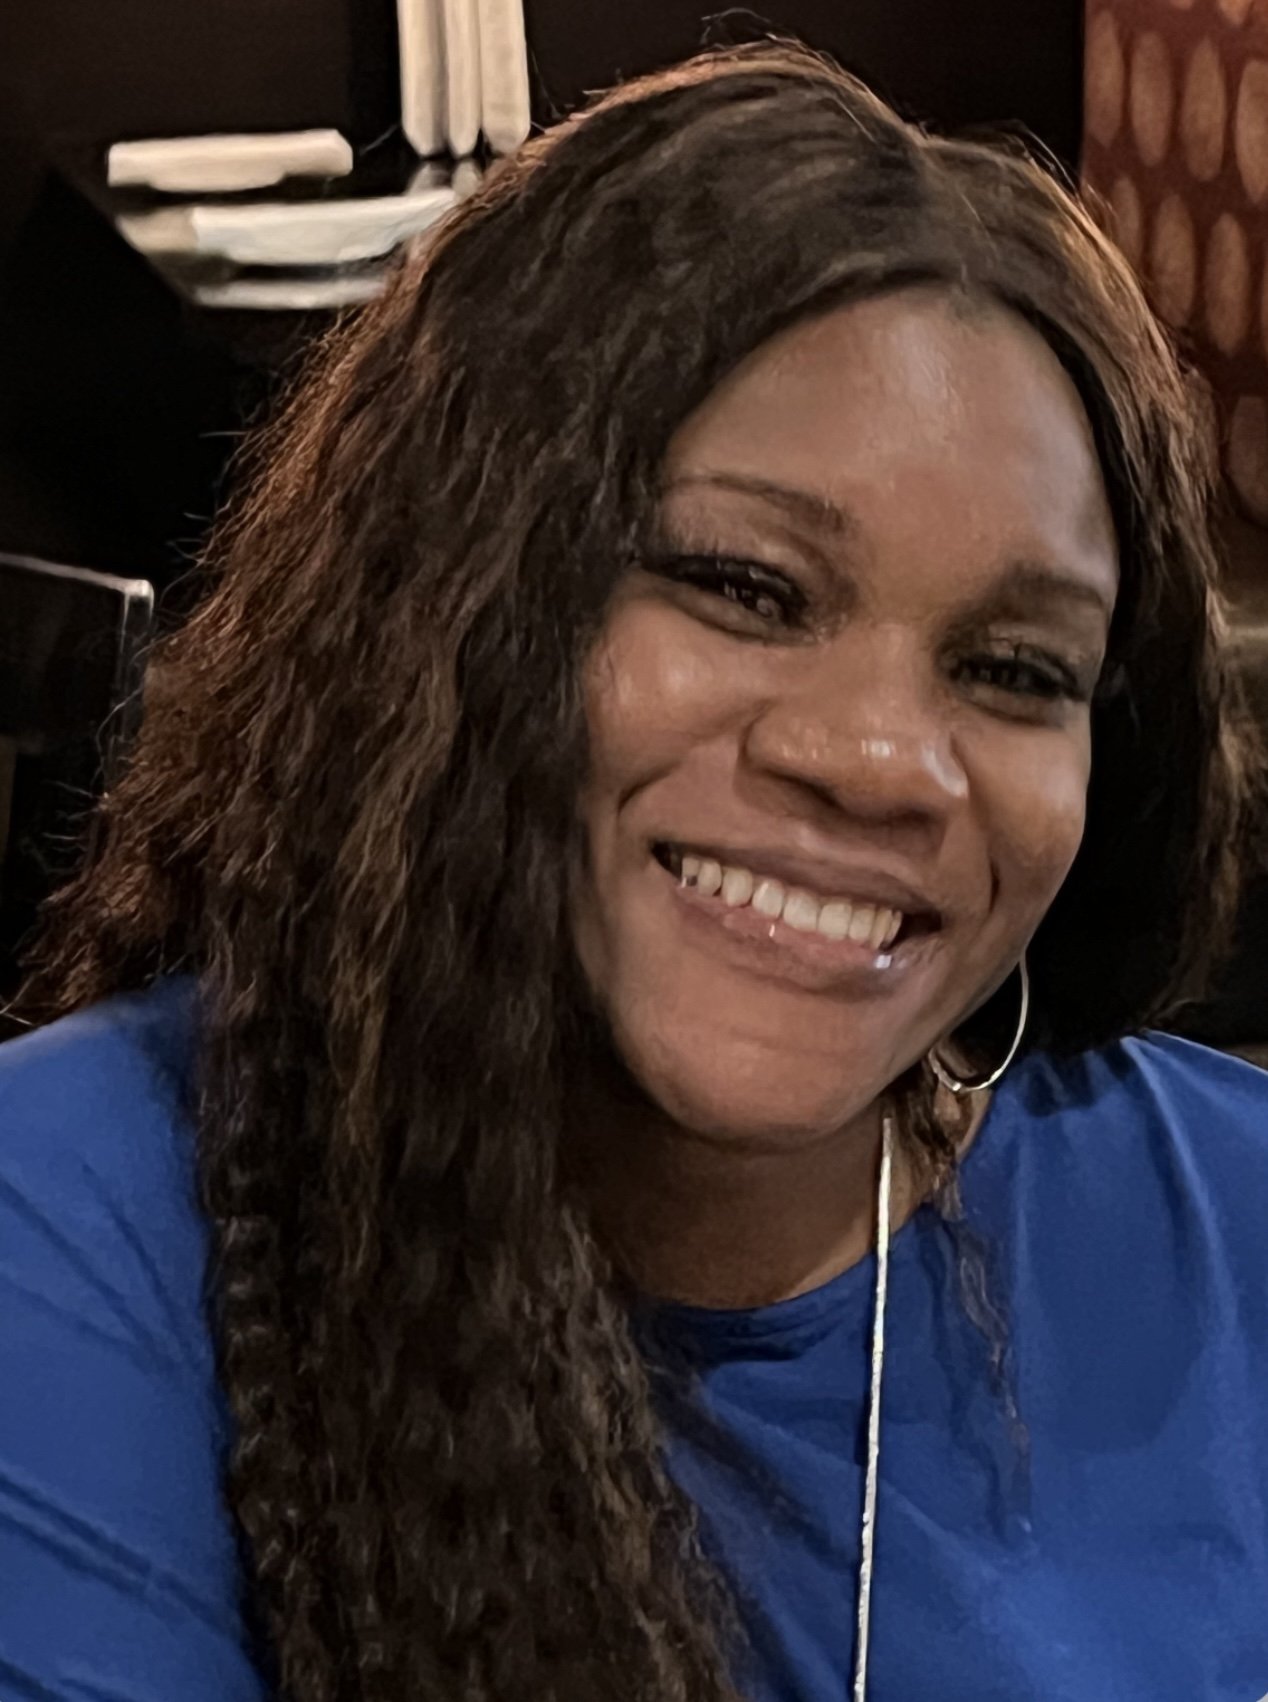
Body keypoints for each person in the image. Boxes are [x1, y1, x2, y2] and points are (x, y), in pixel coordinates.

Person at [1, 39, 1266, 1702]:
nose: (884, 756)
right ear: (443, 607)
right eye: (745, 584)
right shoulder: (81, 1233)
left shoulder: (1222, 1217)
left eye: (1017, 670)